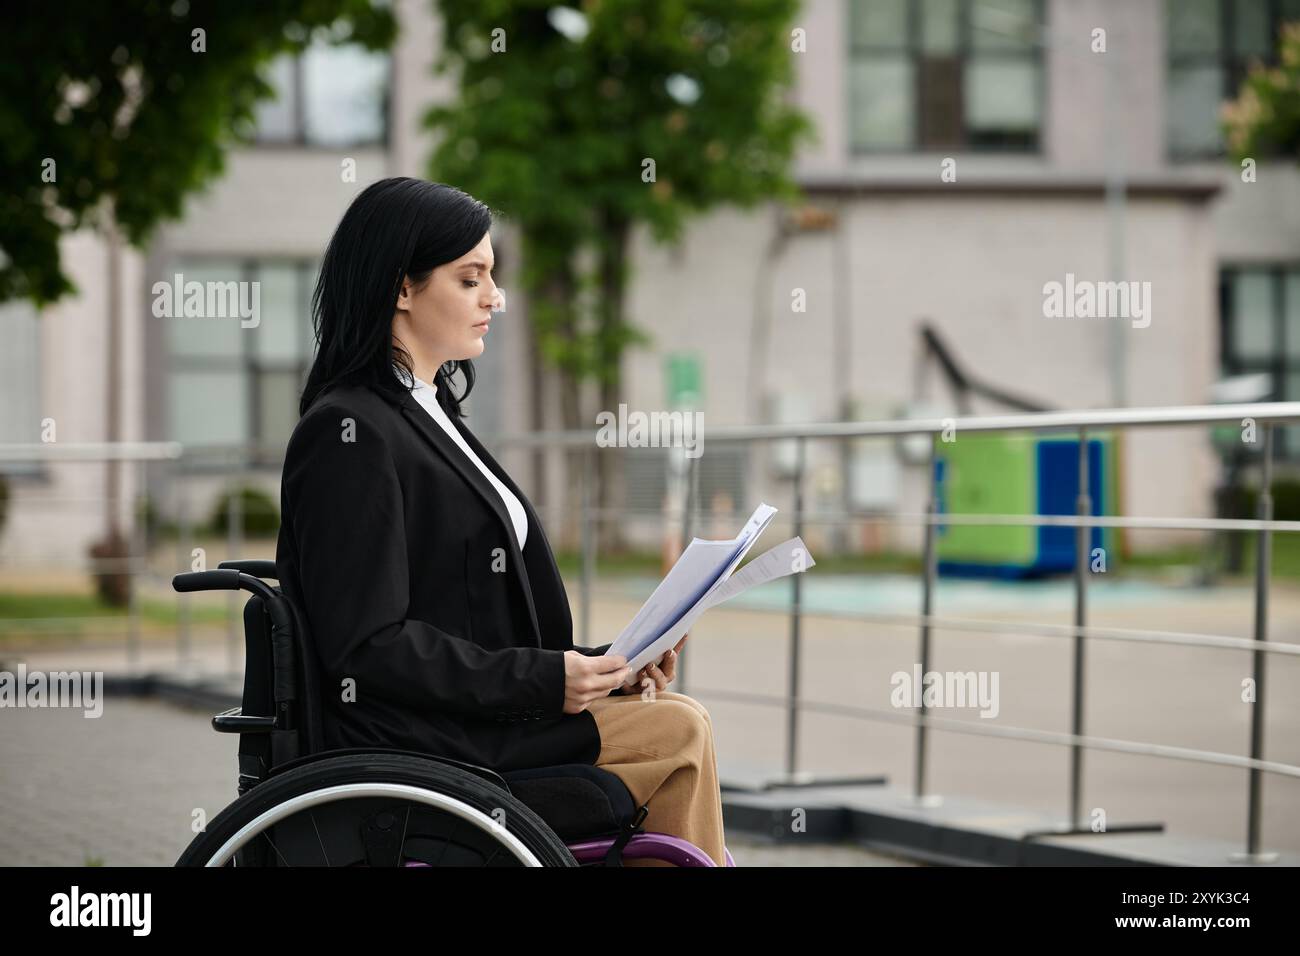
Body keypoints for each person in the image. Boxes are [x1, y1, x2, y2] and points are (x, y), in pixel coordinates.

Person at [274, 177, 727, 865]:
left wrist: (606, 666)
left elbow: (465, 612)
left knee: (673, 716)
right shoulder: (350, 431)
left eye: (494, 276)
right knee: (677, 732)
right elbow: (367, 646)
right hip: (427, 740)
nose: (496, 296)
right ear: (402, 289)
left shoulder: (427, 412)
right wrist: (548, 680)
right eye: (471, 278)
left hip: (479, 717)